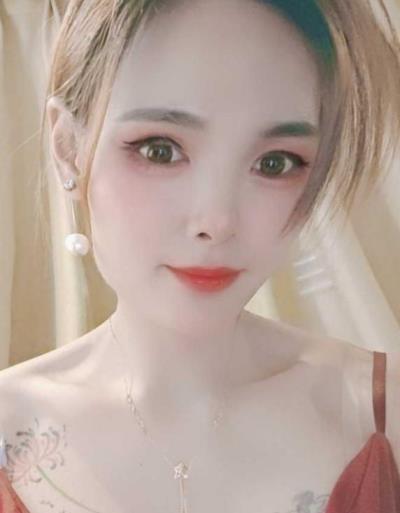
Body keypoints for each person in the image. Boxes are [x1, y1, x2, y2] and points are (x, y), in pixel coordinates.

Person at [1, 0, 400, 512]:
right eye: (160, 150)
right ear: (68, 149)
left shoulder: (381, 408)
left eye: (275, 163)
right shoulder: (10, 424)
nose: (217, 220)